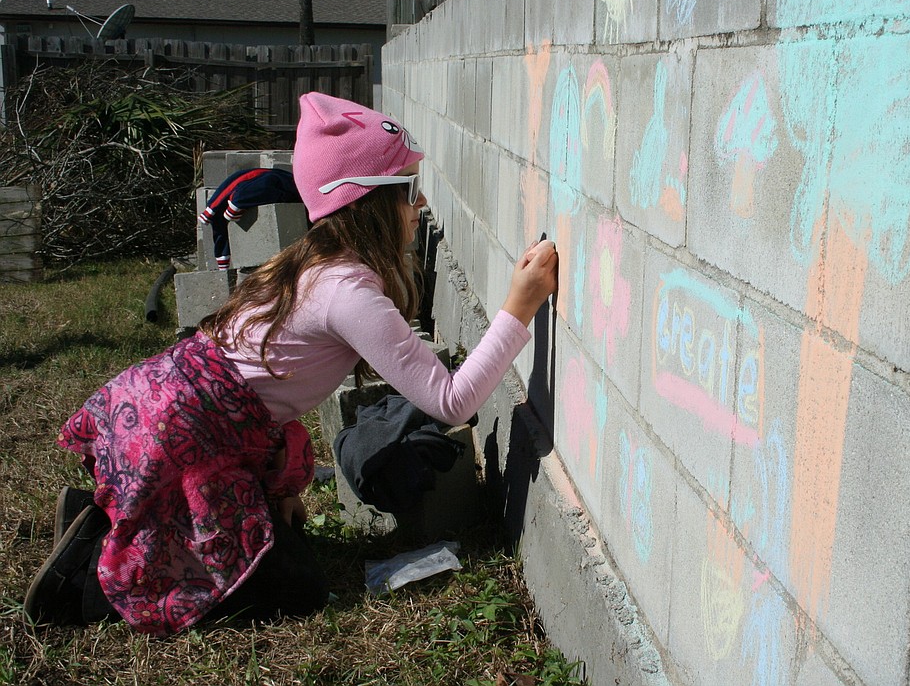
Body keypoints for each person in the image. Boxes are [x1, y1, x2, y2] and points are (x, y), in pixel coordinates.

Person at [23, 92, 559, 636]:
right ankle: (86, 580)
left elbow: (256, 395)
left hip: (165, 410)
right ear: (369, 203)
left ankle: (108, 520)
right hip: (177, 434)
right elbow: (453, 400)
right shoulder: (347, 292)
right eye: (409, 190)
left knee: (286, 555)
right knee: (294, 588)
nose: (419, 206)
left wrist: (277, 493)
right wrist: (521, 305)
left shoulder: (315, 263)